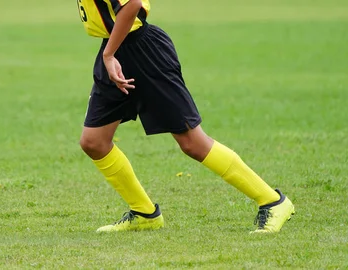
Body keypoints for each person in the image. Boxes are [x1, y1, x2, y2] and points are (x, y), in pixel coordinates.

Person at [76, 0, 295, 233]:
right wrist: (109, 54)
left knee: (192, 142)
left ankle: (272, 201)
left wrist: (109, 55)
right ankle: (145, 214)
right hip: (113, 50)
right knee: (94, 142)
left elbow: (132, 4)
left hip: (142, 52)